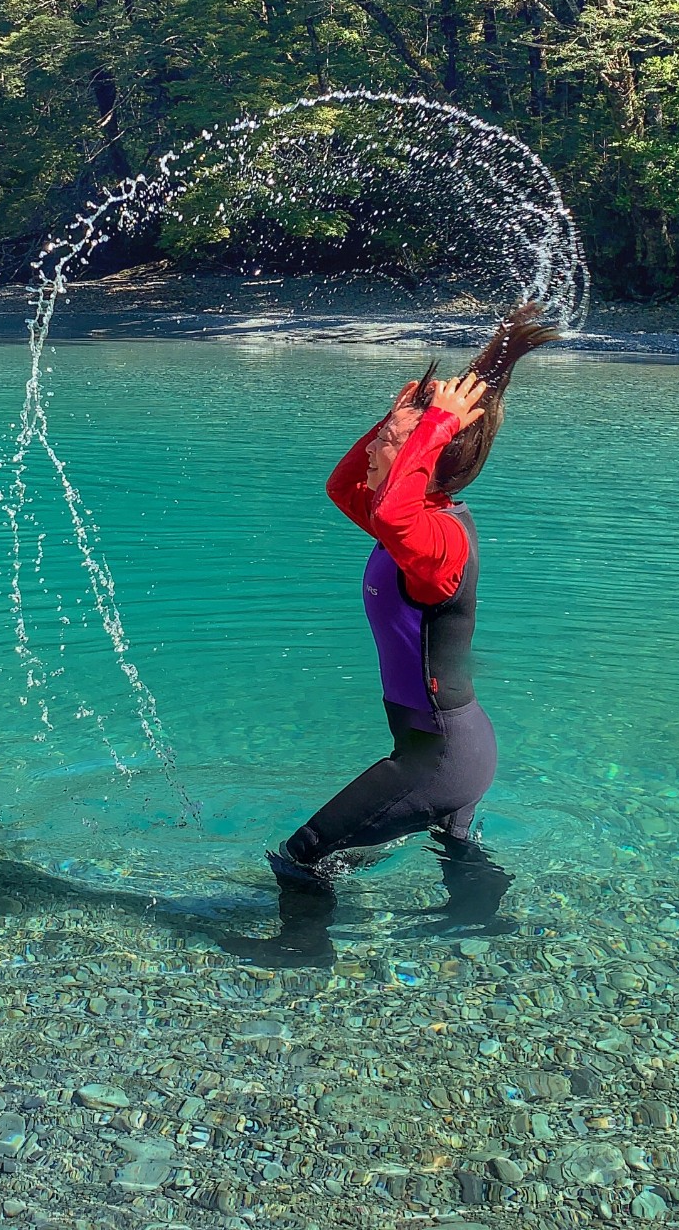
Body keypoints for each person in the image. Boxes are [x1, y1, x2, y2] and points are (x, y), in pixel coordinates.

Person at [265, 303, 556, 929]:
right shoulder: (418, 525)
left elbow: (393, 511)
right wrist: (403, 420)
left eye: (386, 443)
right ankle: (488, 926)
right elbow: (343, 488)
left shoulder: (434, 538)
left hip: (441, 756)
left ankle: (301, 955)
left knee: (301, 856)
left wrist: (430, 429)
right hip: (446, 744)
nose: (372, 450)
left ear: (423, 457)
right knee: (453, 851)